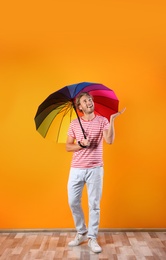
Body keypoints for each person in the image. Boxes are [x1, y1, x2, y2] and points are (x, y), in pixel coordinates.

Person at [66, 92, 125, 253]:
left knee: (94, 205)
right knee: (73, 201)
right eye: (85, 101)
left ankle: (92, 237)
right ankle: (82, 232)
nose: (89, 102)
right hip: (76, 169)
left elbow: (110, 140)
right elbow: (68, 147)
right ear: (80, 107)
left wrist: (112, 120)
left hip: (95, 169)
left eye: (90, 99)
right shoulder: (74, 124)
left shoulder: (102, 121)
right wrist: (81, 144)